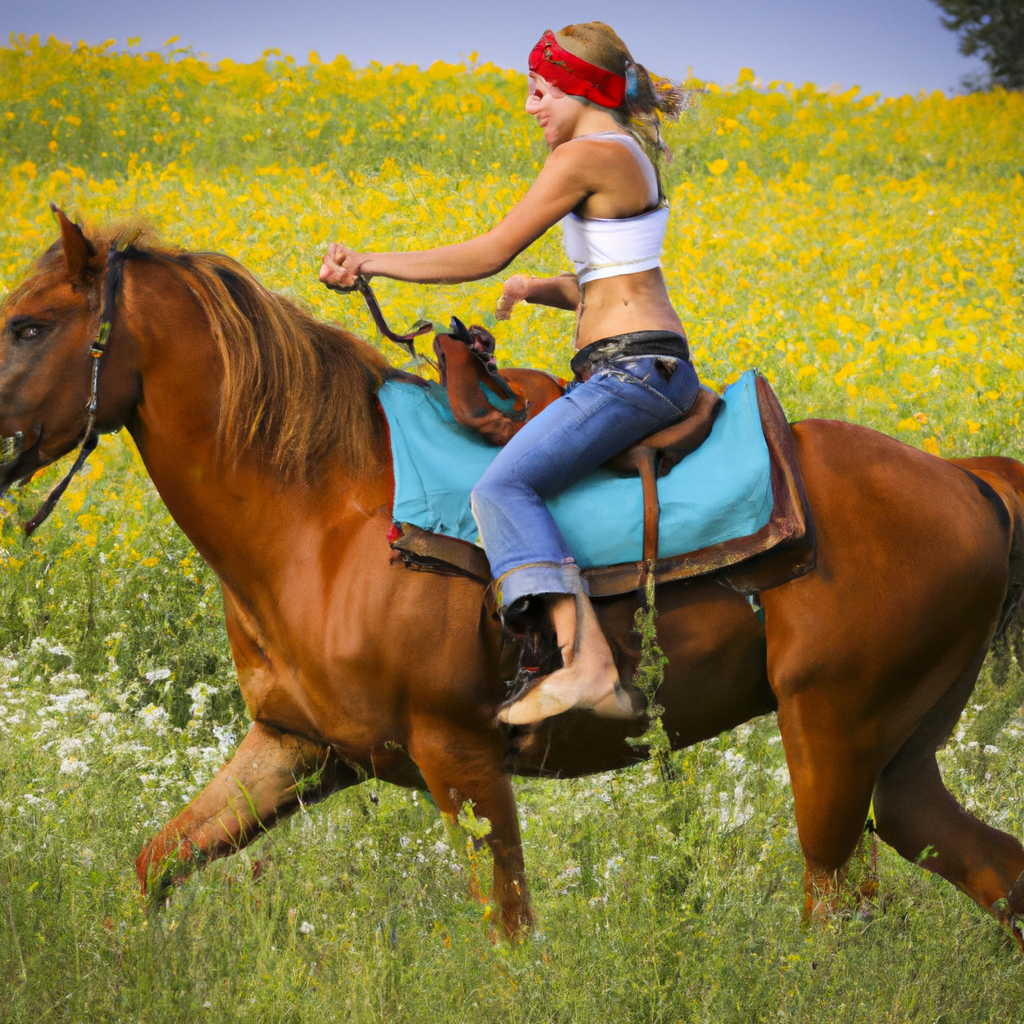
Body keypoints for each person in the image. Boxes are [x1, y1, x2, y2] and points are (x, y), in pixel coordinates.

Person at [320, 22, 698, 726]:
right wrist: (536, 287)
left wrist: (369, 262)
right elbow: (611, 282)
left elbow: (487, 250)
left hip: (631, 372)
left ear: (579, 88)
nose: (531, 107)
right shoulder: (623, 153)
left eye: (539, 90)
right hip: (643, 361)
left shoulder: (586, 154)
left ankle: (587, 666)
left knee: (502, 485)